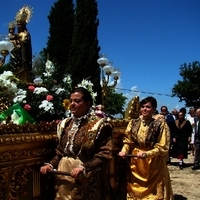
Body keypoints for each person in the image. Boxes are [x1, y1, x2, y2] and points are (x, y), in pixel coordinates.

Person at [40, 87, 113, 200]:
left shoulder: (100, 125)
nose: (72, 104)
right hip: (64, 173)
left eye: (77, 101)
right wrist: (50, 165)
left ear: (87, 103)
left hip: (87, 175)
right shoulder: (65, 124)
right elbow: (60, 152)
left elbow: (105, 155)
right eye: (71, 100)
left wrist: (84, 168)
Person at [118, 96, 173, 199]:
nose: (144, 109)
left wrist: (147, 154)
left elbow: (162, 146)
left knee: (153, 194)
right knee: (134, 191)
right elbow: (128, 141)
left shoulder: (160, 125)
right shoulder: (133, 123)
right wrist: (124, 151)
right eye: (142, 106)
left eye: (148, 107)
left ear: (154, 109)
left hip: (153, 163)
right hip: (136, 163)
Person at [9, 5, 33, 83]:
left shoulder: (25, 33)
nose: (18, 26)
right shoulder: (17, 34)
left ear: (23, 25)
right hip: (16, 55)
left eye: (20, 25)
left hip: (23, 56)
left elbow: (24, 43)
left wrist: (19, 44)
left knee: (23, 70)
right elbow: (12, 38)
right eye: (18, 25)